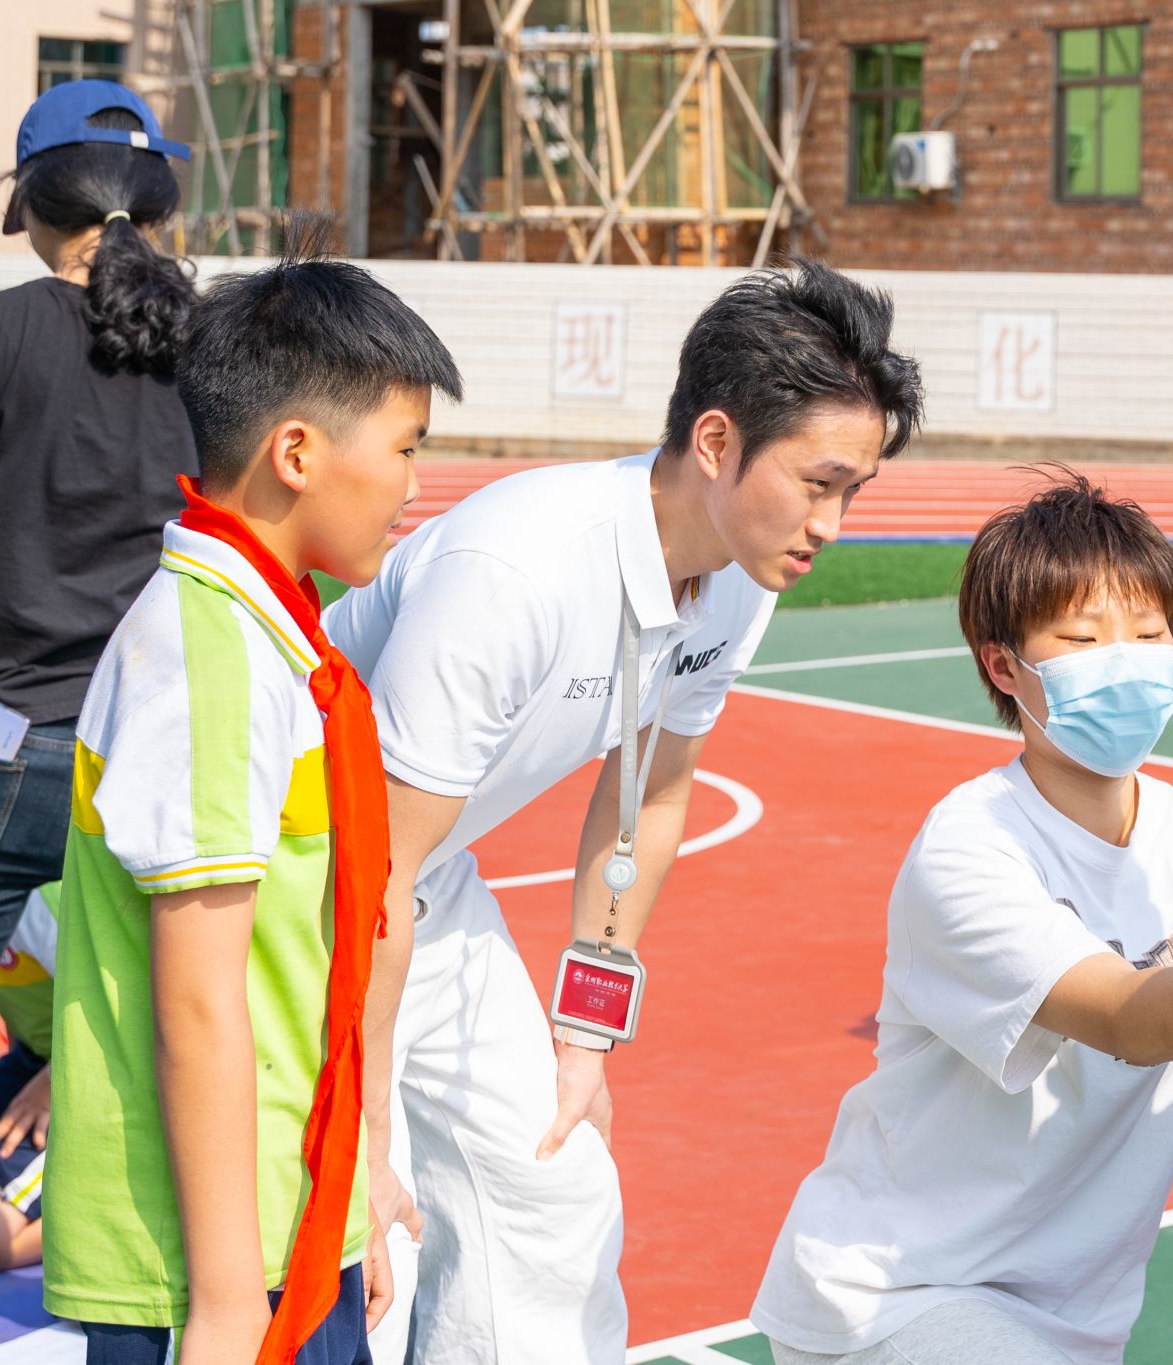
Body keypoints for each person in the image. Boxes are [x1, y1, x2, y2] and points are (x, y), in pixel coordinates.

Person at [323, 260, 925, 1365]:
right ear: (715, 442)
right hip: (306, 895)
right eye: (818, 482)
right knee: (360, 1242)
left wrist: (583, 1035)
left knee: (553, 1187)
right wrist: (362, 1134)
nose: (832, 525)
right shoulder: (519, 570)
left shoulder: (738, 572)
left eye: (855, 491)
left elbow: (651, 788)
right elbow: (365, 876)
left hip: (418, 886)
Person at [751, 473, 1173, 1365]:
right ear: (1003, 665)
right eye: (1085, 640)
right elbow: (1130, 1018)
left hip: (1073, 1323)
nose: (1124, 660)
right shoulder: (971, 848)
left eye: (1149, 633)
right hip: (898, 1296)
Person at [42, 242, 462, 1365]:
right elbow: (199, 1002)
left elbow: (306, 968)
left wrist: (352, 1184)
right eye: (406, 447)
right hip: (209, 1261)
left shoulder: (267, 637)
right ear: (297, 453)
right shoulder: (211, 660)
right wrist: (230, 1306)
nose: (415, 485)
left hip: (289, 1210)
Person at [0, 79, 196, 1017]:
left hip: (3, 743)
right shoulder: (216, 348)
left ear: (32, 202)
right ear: (158, 207)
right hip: (162, 749)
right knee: (159, 1031)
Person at [0, 881, 64, 1274]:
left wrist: (51, 1082)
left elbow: (128, 1015)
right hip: (35, 1060)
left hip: (103, 1075)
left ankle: (126, 1217)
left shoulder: (45, 898)